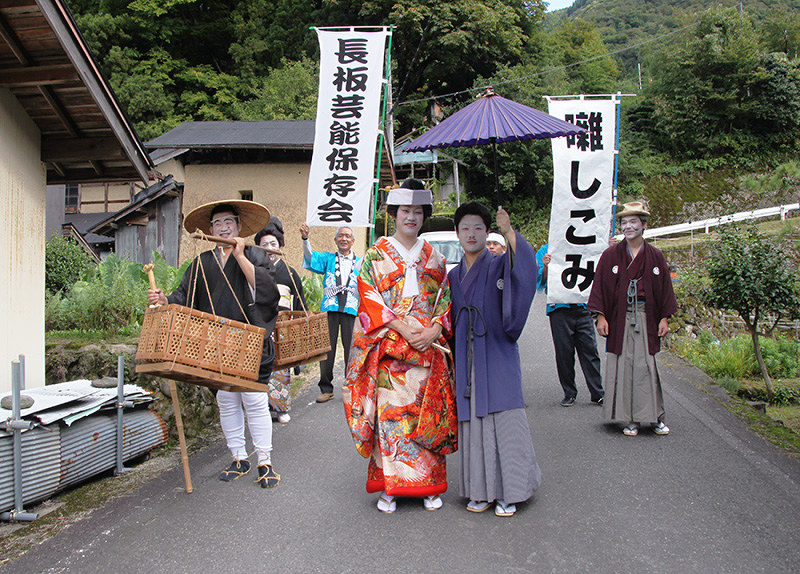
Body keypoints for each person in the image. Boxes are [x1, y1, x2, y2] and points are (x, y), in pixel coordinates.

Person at [342, 178, 457, 514]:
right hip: (391, 352)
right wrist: (403, 328)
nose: (412, 216)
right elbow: (368, 298)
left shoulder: (434, 257)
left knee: (426, 416)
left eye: (418, 211)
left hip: (426, 352)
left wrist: (434, 330)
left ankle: (428, 487)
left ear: (425, 216)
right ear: (393, 213)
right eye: (405, 210)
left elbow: (444, 299)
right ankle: (390, 488)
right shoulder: (376, 254)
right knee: (391, 420)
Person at [148, 200, 281, 488]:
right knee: (226, 400)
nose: (223, 227)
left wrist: (241, 254)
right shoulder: (202, 262)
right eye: (218, 224)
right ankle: (238, 457)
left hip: (249, 341)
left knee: (255, 400)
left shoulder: (256, 254)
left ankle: (265, 461)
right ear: (209, 230)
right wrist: (164, 300)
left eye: (228, 223)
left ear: (239, 227)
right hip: (216, 343)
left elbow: (267, 292)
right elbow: (182, 295)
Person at [449, 201, 541, 517]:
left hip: (497, 350)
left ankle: (511, 491)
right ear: (457, 234)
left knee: (505, 418)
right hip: (467, 355)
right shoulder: (453, 276)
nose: (471, 234)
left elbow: (527, 269)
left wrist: (509, 231)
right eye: (465, 228)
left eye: (478, 227)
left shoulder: (500, 263)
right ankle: (480, 490)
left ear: (487, 231)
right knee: (473, 419)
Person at [588, 201, 677, 436]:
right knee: (624, 365)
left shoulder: (655, 256)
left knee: (646, 366)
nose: (628, 227)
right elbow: (600, 287)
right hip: (620, 317)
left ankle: (654, 416)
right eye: (624, 222)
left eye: (633, 222)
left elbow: (665, 290)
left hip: (646, 316)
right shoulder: (611, 255)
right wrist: (601, 316)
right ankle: (628, 418)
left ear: (644, 225)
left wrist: (664, 318)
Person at [536, 244, 604, 407]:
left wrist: (606, 245)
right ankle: (569, 393)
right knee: (564, 353)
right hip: (558, 307)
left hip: (583, 306)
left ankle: (597, 393)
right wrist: (545, 267)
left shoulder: (586, 244)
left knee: (590, 350)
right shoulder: (546, 250)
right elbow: (540, 281)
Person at [300, 223, 361, 403]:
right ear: (335, 239)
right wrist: (305, 239)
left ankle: (351, 387)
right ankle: (326, 388)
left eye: (347, 236)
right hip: (330, 307)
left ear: (353, 241)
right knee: (327, 349)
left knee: (352, 350)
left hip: (351, 308)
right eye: (340, 236)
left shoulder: (360, 262)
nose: (344, 239)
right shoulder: (327, 259)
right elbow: (310, 257)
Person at [255, 217, 306, 424]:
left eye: (273, 244)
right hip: (259, 325)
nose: (269, 248)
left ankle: (280, 408)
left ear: (280, 246)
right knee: (260, 369)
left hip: (282, 326)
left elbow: (300, 303)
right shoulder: (253, 269)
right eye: (264, 244)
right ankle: (262, 409)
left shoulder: (290, 273)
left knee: (280, 370)